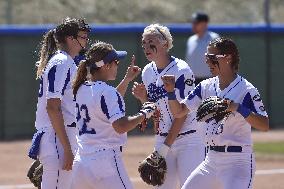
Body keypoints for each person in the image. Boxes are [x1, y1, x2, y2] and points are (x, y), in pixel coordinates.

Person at [161, 37, 269, 189]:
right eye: (206, 57)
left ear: (228, 57)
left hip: (237, 163)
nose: (207, 62)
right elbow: (179, 112)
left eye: (212, 58)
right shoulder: (205, 86)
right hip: (210, 161)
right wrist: (171, 92)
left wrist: (237, 107)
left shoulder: (246, 90)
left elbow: (264, 124)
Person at [70, 41, 156, 189]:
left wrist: (127, 79)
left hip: (81, 162)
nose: (118, 65)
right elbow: (120, 126)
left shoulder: (81, 88)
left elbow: (106, 104)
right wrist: (145, 113)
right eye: (116, 62)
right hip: (105, 162)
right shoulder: (106, 92)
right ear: (106, 65)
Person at [132, 24, 204, 188]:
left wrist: (165, 147)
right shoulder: (147, 72)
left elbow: (182, 113)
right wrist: (144, 100)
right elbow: (155, 109)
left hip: (188, 138)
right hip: (163, 138)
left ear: (165, 43)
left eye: (150, 41)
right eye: (143, 43)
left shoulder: (181, 70)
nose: (145, 46)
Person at [28, 17, 90, 189]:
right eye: (83, 36)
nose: (86, 40)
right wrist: (66, 149)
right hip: (57, 138)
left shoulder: (65, 61)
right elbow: (52, 107)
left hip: (60, 137)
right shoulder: (62, 62)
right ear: (71, 39)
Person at [185, 12, 219, 84]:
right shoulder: (191, 40)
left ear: (204, 24)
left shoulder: (214, 38)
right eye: (192, 23)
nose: (193, 25)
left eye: (196, 23)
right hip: (193, 81)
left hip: (210, 81)